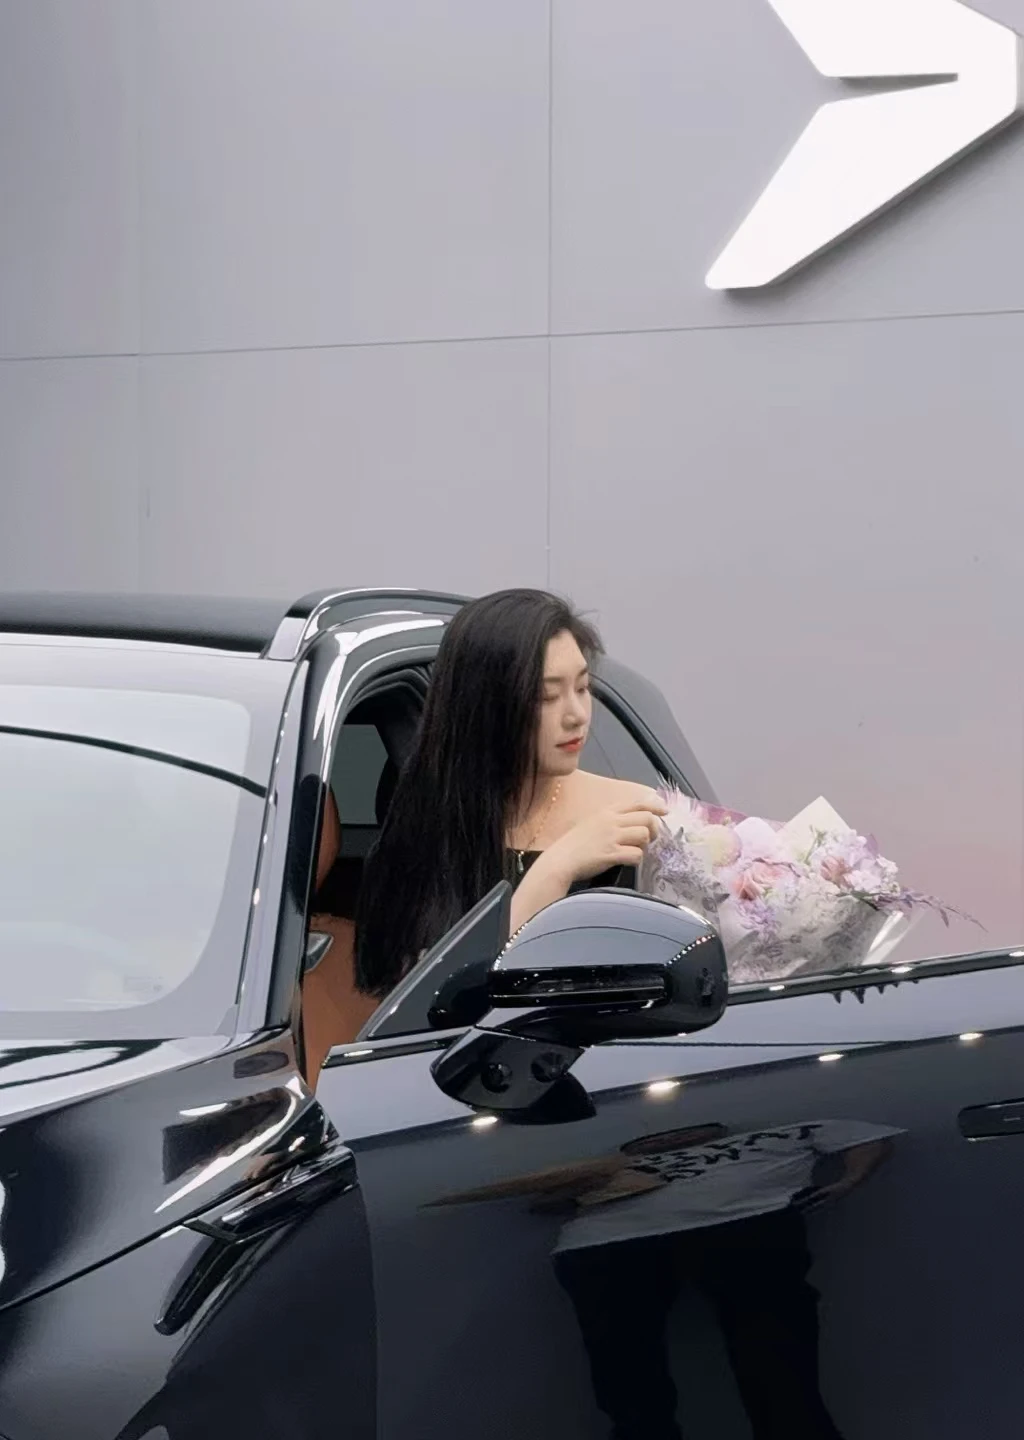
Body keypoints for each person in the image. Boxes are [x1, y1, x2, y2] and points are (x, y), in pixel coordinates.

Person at [355, 588, 668, 999]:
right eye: (546, 696)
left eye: (582, 687)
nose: (576, 715)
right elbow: (426, 1002)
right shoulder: (424, 830)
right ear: (484, 706)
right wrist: (555, 870)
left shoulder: (637, 816)